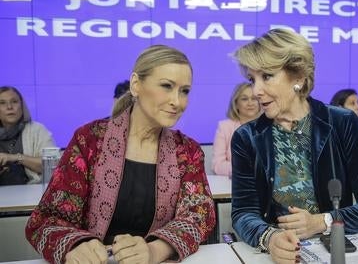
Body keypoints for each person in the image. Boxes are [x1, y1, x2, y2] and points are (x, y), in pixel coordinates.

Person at [25, 45, 216, 264]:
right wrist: (76, 246)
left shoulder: (187, 150)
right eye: (166, 86)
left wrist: (154, 251)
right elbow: (47, 219)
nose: (177, 101)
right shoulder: (90, 140)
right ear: (136, 84)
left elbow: (199, 215)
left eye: (185, 91)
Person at [231, 28, 358, 264]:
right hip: (277, 255)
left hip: (334, 251)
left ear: (299, 77)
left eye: (267, 76)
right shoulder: (246, 137)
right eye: (252, 80)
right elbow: (243, 213)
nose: (256, 91)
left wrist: (322, 221)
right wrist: (270, 238)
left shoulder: (342, 122)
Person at [0, 86, 57, 185]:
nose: (9, 107)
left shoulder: (37, 130)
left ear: (22, 106)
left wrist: (15, 158)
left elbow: (53, 165)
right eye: (2, 103)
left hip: (31, 193)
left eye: (14, 101)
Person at [212, 82, 260, 176]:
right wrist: (242, 169)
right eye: (244, 99)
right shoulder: (224, 127)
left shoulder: (270, 127)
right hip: (235, 183)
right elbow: (217, 164)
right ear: (236, 104)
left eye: (254, 98)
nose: (250, 103)